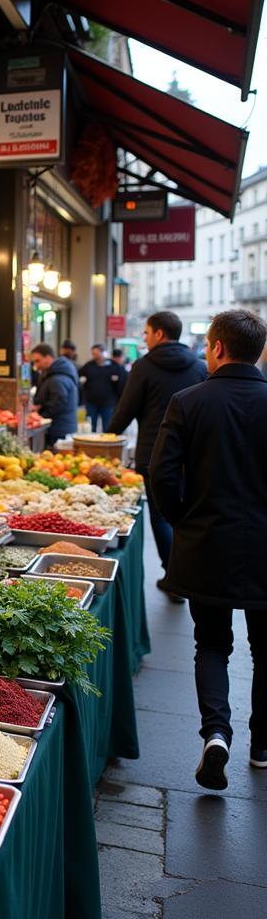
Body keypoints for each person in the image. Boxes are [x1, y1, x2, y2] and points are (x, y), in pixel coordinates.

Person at [149, 309, 267, 789]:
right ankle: (262, 746)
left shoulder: (188, 402)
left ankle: (216, 734)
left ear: (217, 348)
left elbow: (162, 475)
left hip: (206, 543)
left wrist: (182, 520)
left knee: (212, 644)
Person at [107, 311, 206, 595]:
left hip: (154, 453)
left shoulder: (143, 366)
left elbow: (126, 410)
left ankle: (172, 575)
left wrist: (108, 437)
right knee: (188, 514)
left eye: (147, 333)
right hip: (193, 455)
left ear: (159, 334)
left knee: (161, 515)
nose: (144, 338)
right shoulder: (199, 366)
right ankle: (188, 573)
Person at [31, 343, 79, 447]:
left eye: (37, 361)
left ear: (48, 358)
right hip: (61, 426)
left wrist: (40, 416)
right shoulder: (52, 375)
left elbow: (58, 404)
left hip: (59, 429)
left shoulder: (57, 379)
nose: (36, 366)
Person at [78, 343, 124, 432]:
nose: (94, 356)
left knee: (108, 427)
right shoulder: (88, 366)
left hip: (108, 403)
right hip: (91, 402)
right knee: (91, 427)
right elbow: (79, 377)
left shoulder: (114, 366)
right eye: (93, 354)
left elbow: (121, 384)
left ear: (103, 353)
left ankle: (106, 445)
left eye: (96, 354)